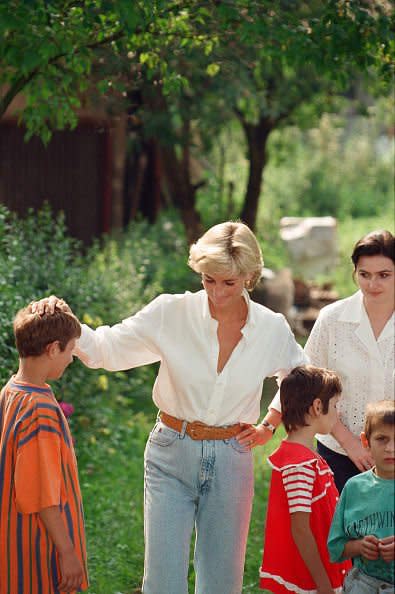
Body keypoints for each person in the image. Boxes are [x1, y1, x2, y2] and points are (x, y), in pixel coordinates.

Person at [33, 221, 306, 594]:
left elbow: (297, 377)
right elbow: (109, 348)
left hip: (232, 457)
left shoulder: (271, 329)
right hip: (170, 452)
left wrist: (269, 425)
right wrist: (67, 324)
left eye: (230, 282)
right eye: (209, 279)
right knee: (162, 583)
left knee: (222, 584)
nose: (218, 292)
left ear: (250, 276)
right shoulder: (171, 313)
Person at [269, 230, 394, 493]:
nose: (373, 285)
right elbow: (307, 382)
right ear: (354, 272)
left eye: (384, 275)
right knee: (340, 533)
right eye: (364, 275)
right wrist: (349, 442)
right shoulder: (332, 320)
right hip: (339, 452)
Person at [0, 304, 88, 594]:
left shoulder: (11, 392)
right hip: (36, 549)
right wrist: (67, 552)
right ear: (52, 349)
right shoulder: (40, 410)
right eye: (70, 351)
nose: (71, 359)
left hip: (9, 543)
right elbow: (42, 495)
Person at [260, 365, 352, 594]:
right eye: (335, 406)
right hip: (310, 584)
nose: (338, 413)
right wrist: (323, 586)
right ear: (318, 407)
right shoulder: (299, 464)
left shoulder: (304, 458)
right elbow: (300, 529)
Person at [328, 400, 394, 593]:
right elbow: (336, 547)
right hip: (364, 584)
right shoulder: (354, 488)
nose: (390, 448)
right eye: (382, 439)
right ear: (366, 442)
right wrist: (359, 546)